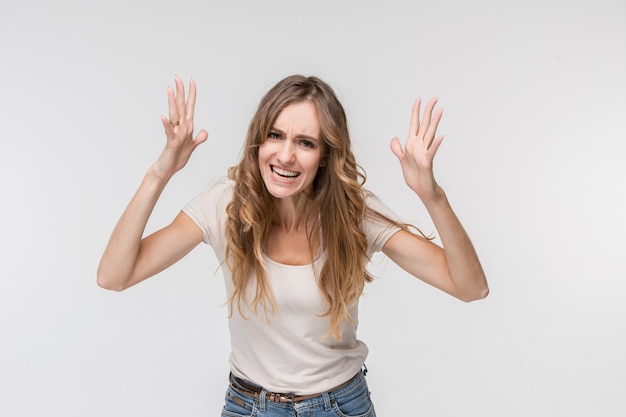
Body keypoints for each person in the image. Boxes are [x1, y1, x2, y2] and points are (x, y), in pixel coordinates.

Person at [97, 74, 488, 416]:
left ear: (325, 156)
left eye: (305, 142)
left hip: (340, 405)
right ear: (258, 140)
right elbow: (115, 276)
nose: (285, 155)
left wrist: (431, 195)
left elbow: (470, 287)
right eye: (275, 135)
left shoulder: (354, 214)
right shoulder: (226, 205)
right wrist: (159, 173)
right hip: (249, 406)